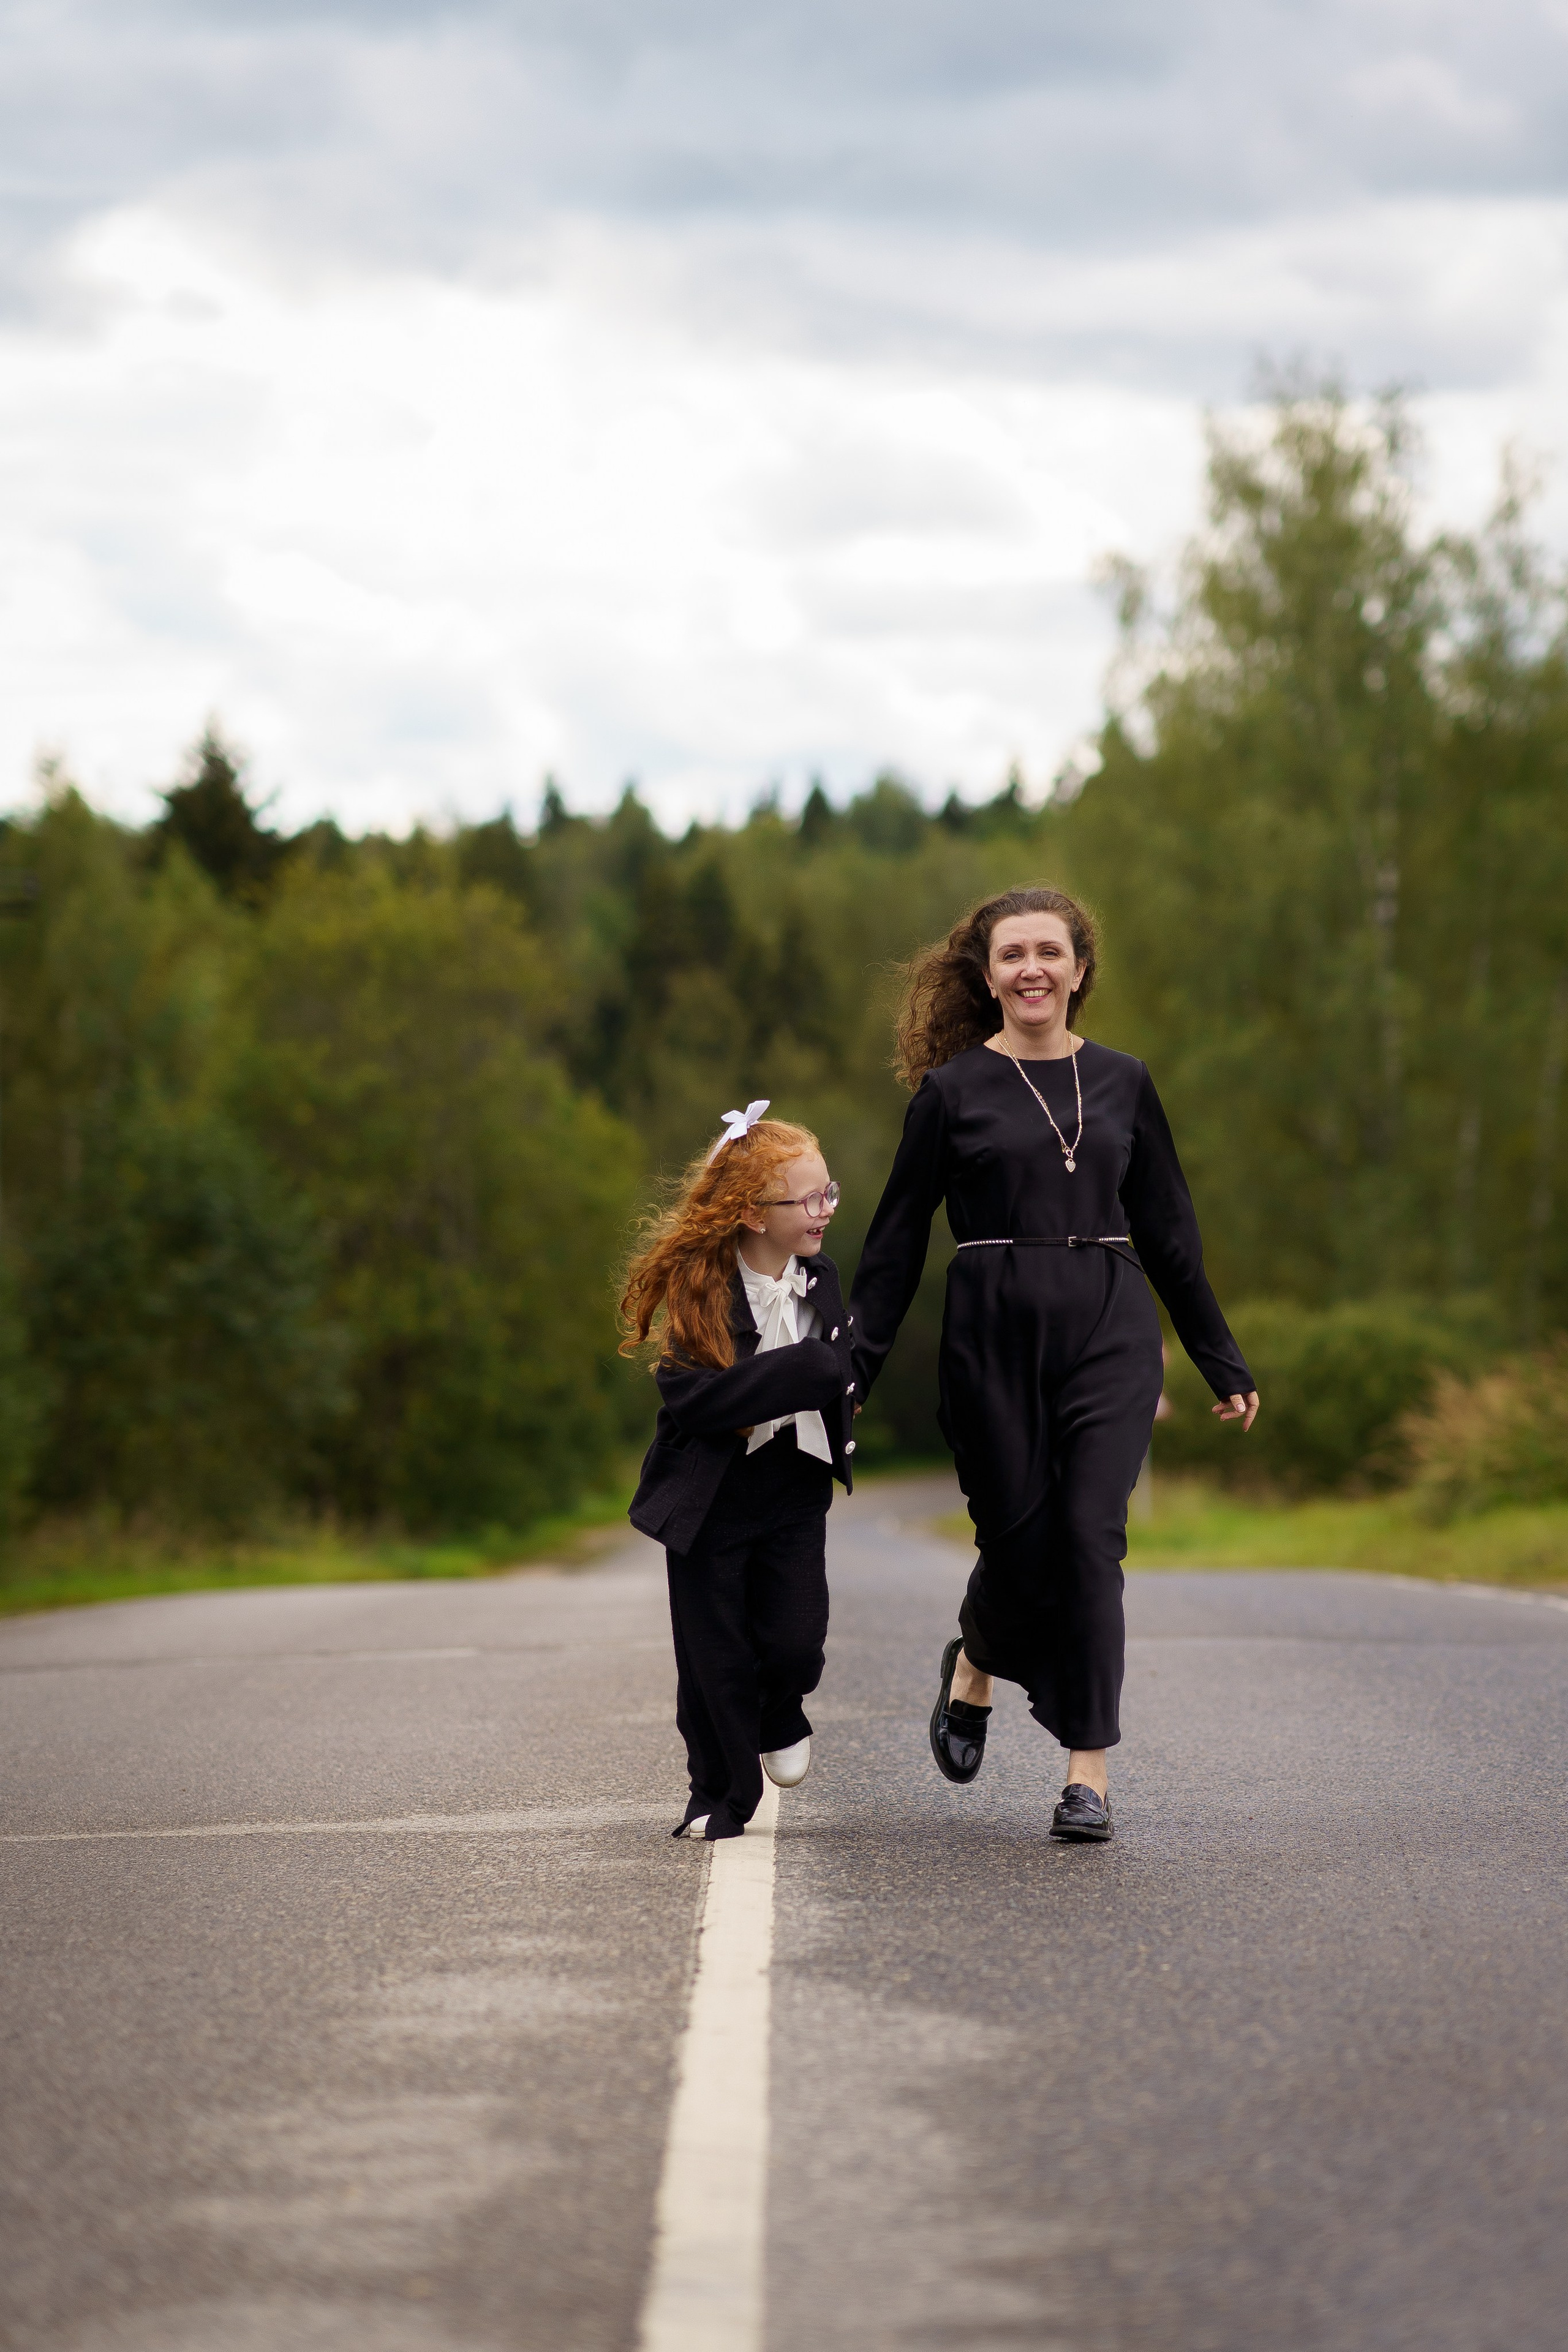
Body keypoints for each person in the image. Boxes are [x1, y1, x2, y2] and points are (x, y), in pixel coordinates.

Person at [850, 887, 1259, 1842]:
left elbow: (1169, 1233)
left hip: (1108, 1328)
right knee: (1019, 1542)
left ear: (1079, 970)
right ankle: (972, 1667)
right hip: (990, 1333)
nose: (1031, 968)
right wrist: (850, 1375)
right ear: (987, 977)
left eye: (1049, 951)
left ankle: (1089, 1775)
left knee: (1086, 1538)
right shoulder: (949, 1094)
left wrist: (1216, 1354)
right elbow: (894, 1248)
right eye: (1011, 954)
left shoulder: (1124, 1082)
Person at [622, 1104, 860, 1841]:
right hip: (710, 1501)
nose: (824, 1211)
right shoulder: (702, 1294)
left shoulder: (821, 1282)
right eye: (808, 1200)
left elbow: (841, 1372)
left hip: (792, 1488)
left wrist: (832, 1375)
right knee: (713, 1658)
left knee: (797, 1641)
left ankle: (780, 1709)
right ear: (754, 1214)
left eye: (830, 1194)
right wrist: (807, 1371)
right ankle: (717, 1795)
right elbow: (694, 1401)